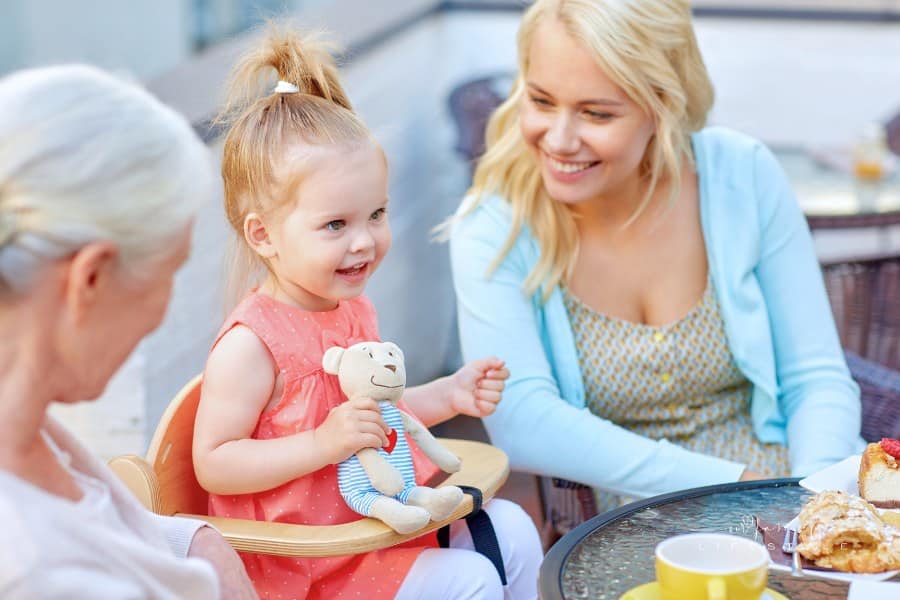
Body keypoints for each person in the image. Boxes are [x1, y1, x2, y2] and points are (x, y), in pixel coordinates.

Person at [447, 0, 864, 510]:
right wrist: (736, 487)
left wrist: (814, 500)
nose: (558, 139)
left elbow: (814, 376)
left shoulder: (743, 174)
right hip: (638, 517)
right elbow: (523, 420)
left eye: (596, 112)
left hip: (791, 482)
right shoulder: (494, 226)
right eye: (540, 100)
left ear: (663, 105)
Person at [192, 28, 543, 600]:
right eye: (336, 225)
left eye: (376, 214)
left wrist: (448, 395)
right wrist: (320, 445)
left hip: (377, 530)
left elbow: (384, 417)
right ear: (263, 235)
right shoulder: (250, 344)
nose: (365, 242)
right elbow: (214, 463)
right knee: (472, 580)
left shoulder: (353, 310)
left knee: (515, 530)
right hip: (306, 565)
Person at [0, 65, 257, 599]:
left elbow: (95, 528)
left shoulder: (26, 426)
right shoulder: (36, 575)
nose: (161, 310)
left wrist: (191, 540)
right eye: (169, 274)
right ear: (89, 278)